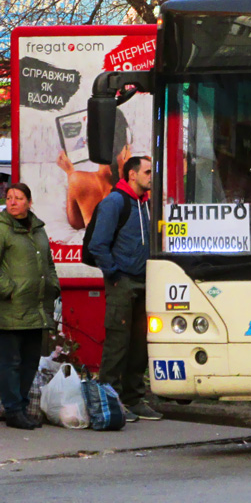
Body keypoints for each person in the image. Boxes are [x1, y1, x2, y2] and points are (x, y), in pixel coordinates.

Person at [90, 155, 160, 422]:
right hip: (123, 281)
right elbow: (98, 244)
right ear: (132, 174)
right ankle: (111, 400)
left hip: (146, 281)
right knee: (118, 342)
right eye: (147, 171)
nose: (151, 176)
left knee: (140, 344)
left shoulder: (146, 204)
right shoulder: (115, 202)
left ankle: (133, 399)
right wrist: (114, 274)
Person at [0, 183, 59, 429]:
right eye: (9, 197)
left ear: (29, 202)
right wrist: (8, 290)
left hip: (36, 308)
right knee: (11, 361)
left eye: (19, 198)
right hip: (11, 308)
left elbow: (48, 262)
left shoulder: (38, 229)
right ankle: (13, 410)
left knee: (30, 360)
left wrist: (53, 286)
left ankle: (21, 407)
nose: (13, 202)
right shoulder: (2, 229)